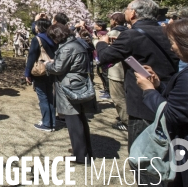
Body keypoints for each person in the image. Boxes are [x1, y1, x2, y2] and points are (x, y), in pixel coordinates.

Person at [97, 0, 179, 151]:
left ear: (133, 13)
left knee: (141, 153)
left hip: (141, 100)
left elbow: (104, 57)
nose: (125, 11)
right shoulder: (168, 31)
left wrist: (102, 42)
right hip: (168, 93)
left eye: (127, 9)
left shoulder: (131, 35)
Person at [136, 18, 188, 187]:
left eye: (173, 42)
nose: (171, 47)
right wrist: (158, 86)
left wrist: (148, 91)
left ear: (187, 43)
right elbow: (184, 101)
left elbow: (172, 114)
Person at [45, 23, 97, 163]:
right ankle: (83, 151)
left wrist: (47, 64)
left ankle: (80, 155)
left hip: (69, 86)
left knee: (73, 121)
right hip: (77, 83)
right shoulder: (76, 43)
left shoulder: (67, 48)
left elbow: (58, 68)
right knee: (80, 119)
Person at [24, 18, 57, 132]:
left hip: (40, 71)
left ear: (39, 27)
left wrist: (27, 73)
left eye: (36, 25)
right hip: (52, 69)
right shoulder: (54, 38)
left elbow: (32, 57)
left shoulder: (37, 39)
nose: (35, 27)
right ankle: (52, 122)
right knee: (50, 96)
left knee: (43, 97)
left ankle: (47, 124)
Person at [106, 12, 128, 131]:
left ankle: (126, 121)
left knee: (118, 97)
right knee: (125, 95)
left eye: (111, 19)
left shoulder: (114, 33)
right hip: (125, 69)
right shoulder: (127, 31)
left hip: (116, 70)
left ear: (115, 20)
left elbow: (107, 52)